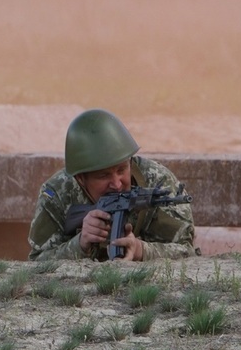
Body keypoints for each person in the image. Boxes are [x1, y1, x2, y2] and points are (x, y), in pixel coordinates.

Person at [28, 108, 199, 262]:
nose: (117, 184)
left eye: (122, 169)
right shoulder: (57, 193)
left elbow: (187, 253)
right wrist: (79, 244)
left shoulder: (158, 183)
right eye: (103, 175)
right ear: (81, 179)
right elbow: (37, 262)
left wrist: (141, 250)